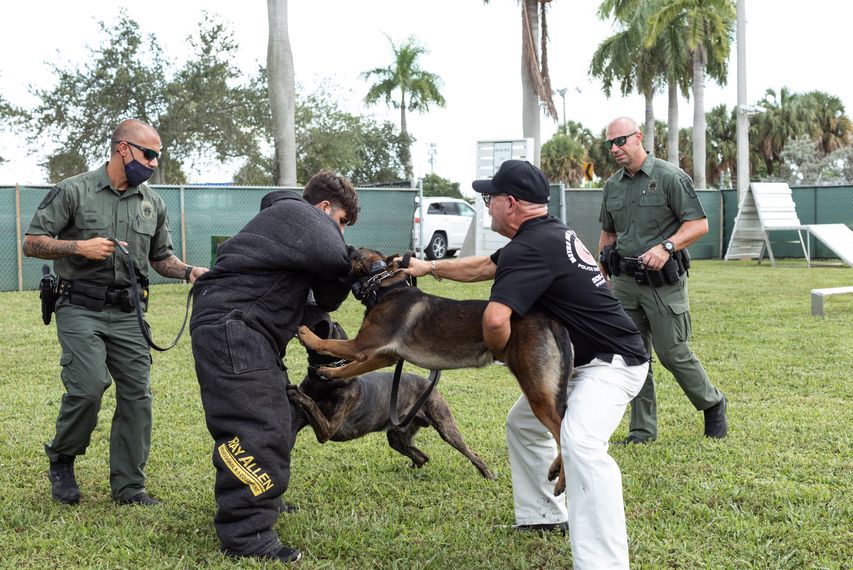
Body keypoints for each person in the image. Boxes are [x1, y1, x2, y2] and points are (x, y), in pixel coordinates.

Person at [402, 159, 650, 570]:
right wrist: (429, 267)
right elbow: (486, 266)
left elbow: (494, 320)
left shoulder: (529, 247)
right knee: (524, 424)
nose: (487, 206)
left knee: (581, 446)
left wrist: (499, 352)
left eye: (490, 198)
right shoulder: (549, 233)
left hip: (611, 364)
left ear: (511, 203)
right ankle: (543, 516)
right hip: (583, 360)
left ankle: (604, 564)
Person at [23, 119, 207, 506]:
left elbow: (161, 258)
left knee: (138, 396)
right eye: (149, 154)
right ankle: (62, 458)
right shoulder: (73, 190)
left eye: (157, 156)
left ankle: (128, 487)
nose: (154, 163)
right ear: (123, 149)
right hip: (79, 306)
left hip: (128, 312)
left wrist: (189, 271)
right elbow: (32, 243)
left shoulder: (152, 203)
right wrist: (79, 247)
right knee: (89, 387)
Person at [190, 170, 359, 564]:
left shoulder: (289, 228)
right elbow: (335, 261)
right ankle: (246, 536)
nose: (340, 234)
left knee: (283, 415)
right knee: (257, 427)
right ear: (323, 208)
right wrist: (359, 260)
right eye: (341, 222)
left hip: (247, 330)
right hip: (234, 329)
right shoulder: (296, 213)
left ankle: (262, 497)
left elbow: (327, 298)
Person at [598, 116, 728, 444]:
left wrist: (667, 247)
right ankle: (642, 430)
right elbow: (608, 233)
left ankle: (712, 402)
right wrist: (601, 273)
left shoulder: (670, 177)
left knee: (672, 352)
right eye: (610, 143)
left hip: (662, 283)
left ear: (638, 137)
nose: (615, 148)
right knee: (632, 355)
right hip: (624, 282)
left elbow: (698, 224)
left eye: (620, 140)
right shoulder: (612, 186)